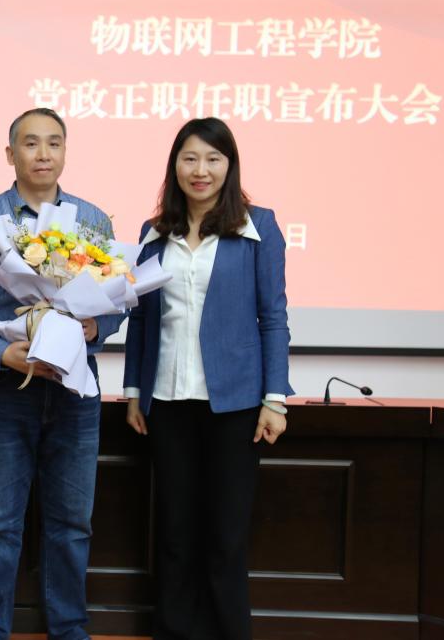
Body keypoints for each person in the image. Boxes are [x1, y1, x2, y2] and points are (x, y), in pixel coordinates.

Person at [0, 108, 126, 640]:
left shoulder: (92, 220)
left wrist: (96, 327)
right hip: (3, 391)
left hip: (74, 391)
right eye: (30, 143)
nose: (43, 154)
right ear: (11, 154)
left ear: (65, 152)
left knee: (73, 522)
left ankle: (69, 628)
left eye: (53, 143)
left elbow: (117, 296)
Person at [123, 117, 293, 640]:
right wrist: (133, 390)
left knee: (225, 537)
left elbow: (274, 317)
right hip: (167, 401)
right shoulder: (154, 233)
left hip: (235, 405)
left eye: (213, 159)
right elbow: (141, 319)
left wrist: (275, 399)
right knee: (175, 534)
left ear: (229, 165)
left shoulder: (258, 227)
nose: (201, 170)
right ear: (175, 165)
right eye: (190, 158)